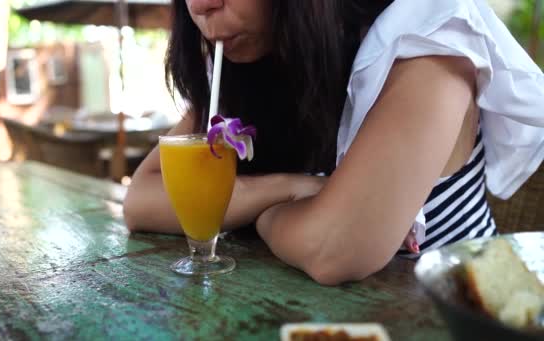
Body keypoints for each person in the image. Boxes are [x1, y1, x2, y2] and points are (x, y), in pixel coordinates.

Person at [124, 0, 544, 285]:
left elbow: (333, 249)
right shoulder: (253, 64)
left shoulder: (429, 41)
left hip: (464, 314)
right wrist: (290, 189)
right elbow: (141, 199)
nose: (199, 6)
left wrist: (259, 212)